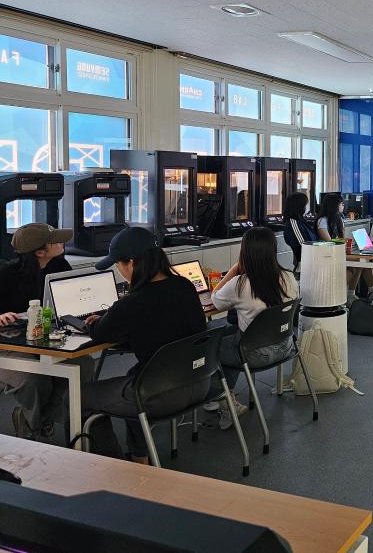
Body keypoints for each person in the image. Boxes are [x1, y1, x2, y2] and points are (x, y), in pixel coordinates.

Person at [82, 227, 206, 463]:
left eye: (118, 264)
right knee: (134, 376)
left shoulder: (132, 304)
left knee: (81, 397)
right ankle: (140, 459)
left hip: (160, 394)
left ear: (131, 263)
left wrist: (97, 321)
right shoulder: (185, 286)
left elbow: (99, 333)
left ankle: (116, 463)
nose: (119, 271)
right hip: (199, 381)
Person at [0, 223, 93, 441]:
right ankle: (33, 425)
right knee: (33, 377)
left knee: (84, 365)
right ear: (40, 252)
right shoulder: (5, 274)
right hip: (8, 345)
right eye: (55, 241)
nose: (62, 242)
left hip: (45, 340)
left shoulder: (60, 265)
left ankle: (40, 417)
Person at [211, 226, 299, 430]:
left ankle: (223, 400)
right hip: (285, 346)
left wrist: (234, 270)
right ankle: (226, 395)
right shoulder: (288, 278)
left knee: (212, 346)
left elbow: (215, 299)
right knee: (229, 335)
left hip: (254, 355)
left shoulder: (240, 284)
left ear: (246, 253)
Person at [282, 192, 318, 270]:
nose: (307, 207)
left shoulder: (301, 221)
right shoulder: (293, 223)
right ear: (299, 206)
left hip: (312, 262)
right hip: (305, 267)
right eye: (305, 205)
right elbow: (304, 247)